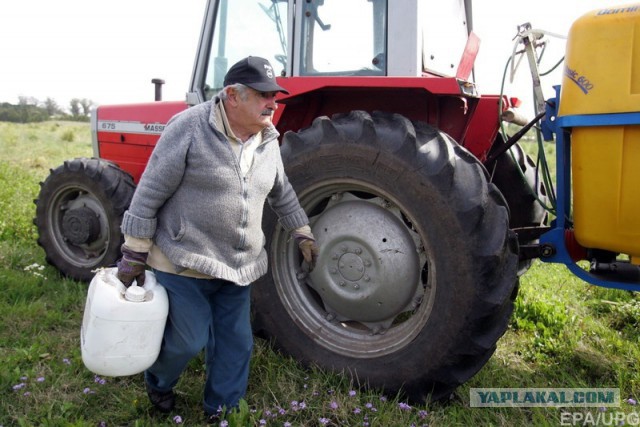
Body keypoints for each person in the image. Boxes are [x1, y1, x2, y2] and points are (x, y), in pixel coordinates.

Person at [116, 56, 319, 423]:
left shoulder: (267, 139)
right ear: (232, 96)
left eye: (275, 96)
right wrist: (135, 249)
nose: (273, 104)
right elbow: (149, 191)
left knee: (236, 343)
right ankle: (159, 381)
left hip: (237, 266)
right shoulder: (189, 128)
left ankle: (221, 409)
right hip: (184, 261)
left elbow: (281, 191)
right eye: (263, 96)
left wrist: (301, 230)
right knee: (187, 341)